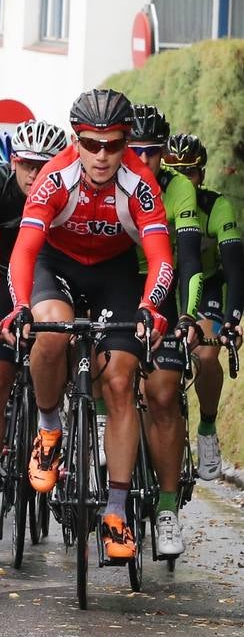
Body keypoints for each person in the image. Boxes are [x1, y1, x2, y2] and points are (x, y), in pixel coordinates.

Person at [6, 89, 175, 561]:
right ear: (76, 140)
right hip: (56, 265)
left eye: (113, 145)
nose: (102, 155)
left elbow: (162, 258)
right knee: (51, 329)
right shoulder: (54, 177)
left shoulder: (140, 184)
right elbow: (23, 250)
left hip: (113, 275)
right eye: (91, 143)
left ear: (126, 144)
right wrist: (21, 305)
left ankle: (117, 513)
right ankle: (48, 427)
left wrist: (151, 307)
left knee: (121, 381)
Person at [0, 119, 67, 531]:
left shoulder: (65, 191)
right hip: (1, 291)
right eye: (27, 164)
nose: (35, 173)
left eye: (44, 165)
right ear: (13, 162)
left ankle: (75, 447)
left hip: (47, 291)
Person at [128, 105, 204, 556]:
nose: (145, 160)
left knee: (162, 393)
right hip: (118, 286)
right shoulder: (114, 182)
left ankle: (168, 508)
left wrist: (189, 316)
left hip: (165, 287)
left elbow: (191, 259)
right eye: (135, 151)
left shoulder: (178, 191)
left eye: (153, 152)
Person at [165, 133, 244, 481]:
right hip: (165, 284)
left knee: (208, 355)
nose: (183, 179)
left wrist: (232, 321)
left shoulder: (217, 207)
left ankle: (208, 428)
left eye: (190, 172)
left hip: (206, 282)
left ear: (203, 174)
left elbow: (237, 268)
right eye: (174, 170)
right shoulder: (157, 199)